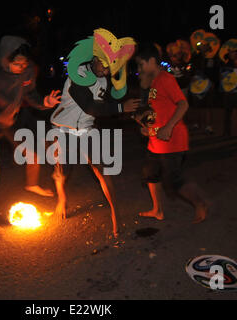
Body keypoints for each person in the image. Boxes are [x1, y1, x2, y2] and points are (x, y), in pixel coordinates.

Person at [50, 28, 140, 238]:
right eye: (105, 66)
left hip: (87, 129)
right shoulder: (78, 74)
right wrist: (120, 109)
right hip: (63, 128)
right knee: (62, 171)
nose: (107, 72)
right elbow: (89, 106)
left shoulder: (103, 79)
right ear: (95, 58)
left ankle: (116, 215)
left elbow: (103, 105)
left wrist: (131, 113)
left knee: (102, 170)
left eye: (111, 69)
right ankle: (61, 199)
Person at [0, 35, 61, 234]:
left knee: (32, 152)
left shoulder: (26, 71)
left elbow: (30, 95)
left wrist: (45, 102)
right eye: (16, 63)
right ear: (4, 59)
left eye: (24, 63)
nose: (21, 67)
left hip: (11, 122)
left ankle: (32, 185)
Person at [135, 43, 210, 224]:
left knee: (173, 181)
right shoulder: (154, 82)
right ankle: (157, 210)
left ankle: (200, 203)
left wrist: (168, 127)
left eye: (141, 65)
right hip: (156, 140)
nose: (139, 69)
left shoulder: (166, 79)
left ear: (152, 61)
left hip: (172, 141)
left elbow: (183, 104)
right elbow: (158, 109)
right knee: (150, 173)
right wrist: (147, 126)